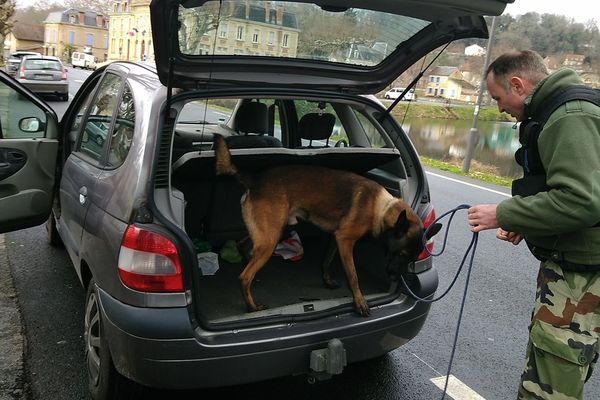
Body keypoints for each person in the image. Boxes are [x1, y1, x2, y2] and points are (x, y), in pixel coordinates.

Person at [467, 49, 600, 400]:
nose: (498, 108)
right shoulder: (566, 110)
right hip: (580, 261)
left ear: (518, 84)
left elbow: (580, 201)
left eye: (498, 98)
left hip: (581, 273)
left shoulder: (568, 117)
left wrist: (505, 213)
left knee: (554, 372)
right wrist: (531, 222)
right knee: (561, 361)